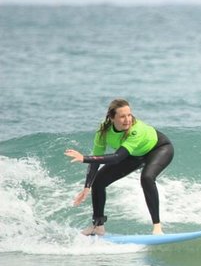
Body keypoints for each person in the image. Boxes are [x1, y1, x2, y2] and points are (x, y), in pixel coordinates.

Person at [65, 98, 174, 236]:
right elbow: (96, 159)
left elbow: (117, 158)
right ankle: (98, 226)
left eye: (129, 115)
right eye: (122, 116)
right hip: (135, 154)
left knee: (147, 178)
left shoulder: (136, 129)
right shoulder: (103, 131)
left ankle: (157, 227)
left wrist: (84, 158)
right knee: (98, 182)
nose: (127, 119)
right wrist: (87, 186)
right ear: (111, 117)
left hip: (159, 149)